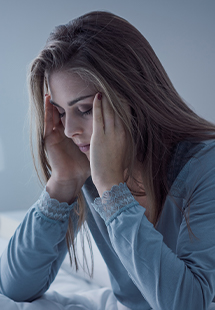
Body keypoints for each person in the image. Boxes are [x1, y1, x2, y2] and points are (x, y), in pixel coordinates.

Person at [1, 10, 215, 310]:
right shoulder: (87, 164)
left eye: (85, 109)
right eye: (61, 113)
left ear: (133, 96)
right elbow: (14, 287)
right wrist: (63, 180)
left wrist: (113, 191)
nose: (69, 130)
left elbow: (188, 304)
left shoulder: (206, 166)